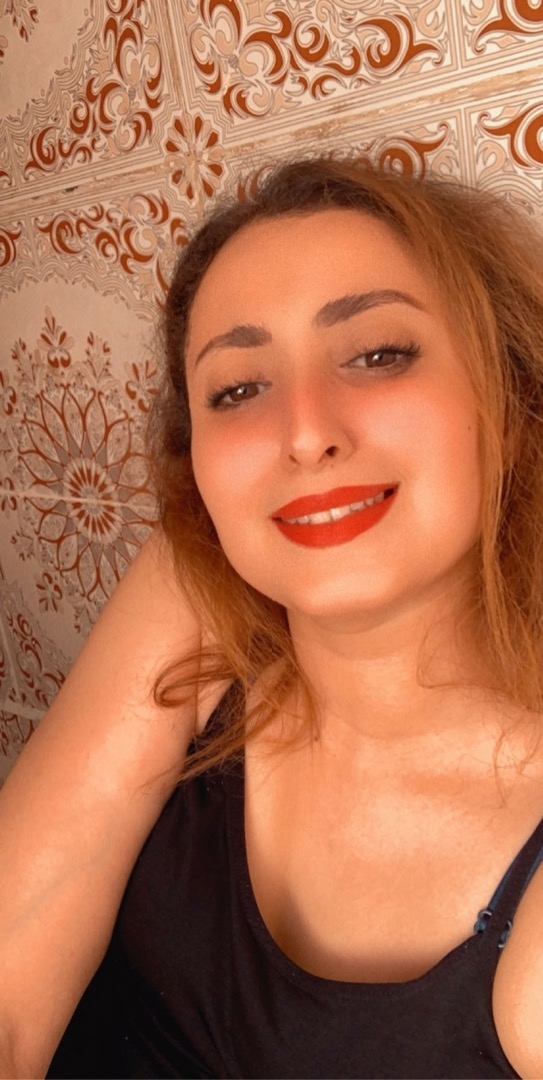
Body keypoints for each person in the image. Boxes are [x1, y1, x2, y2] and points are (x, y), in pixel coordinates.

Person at [2, 156, 543, 1079]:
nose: (303, 432)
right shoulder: (203, 581)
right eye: (237, 390)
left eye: (378, 354)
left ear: (511, 390)